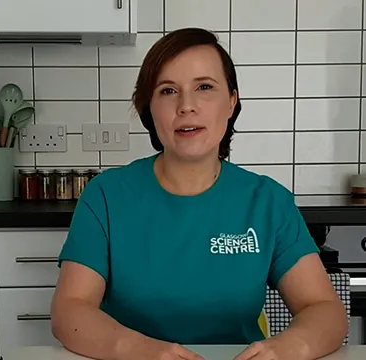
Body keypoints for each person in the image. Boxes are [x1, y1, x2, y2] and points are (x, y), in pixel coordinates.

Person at [50, 27, 348, 360]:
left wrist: (289, 347)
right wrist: (141, 350)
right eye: (167, 91)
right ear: (149, 107)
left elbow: (323, 309)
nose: (186, 106)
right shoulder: (105, 196)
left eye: (204, 87)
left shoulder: (268, 202)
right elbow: (70, 311)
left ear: (231, 102)